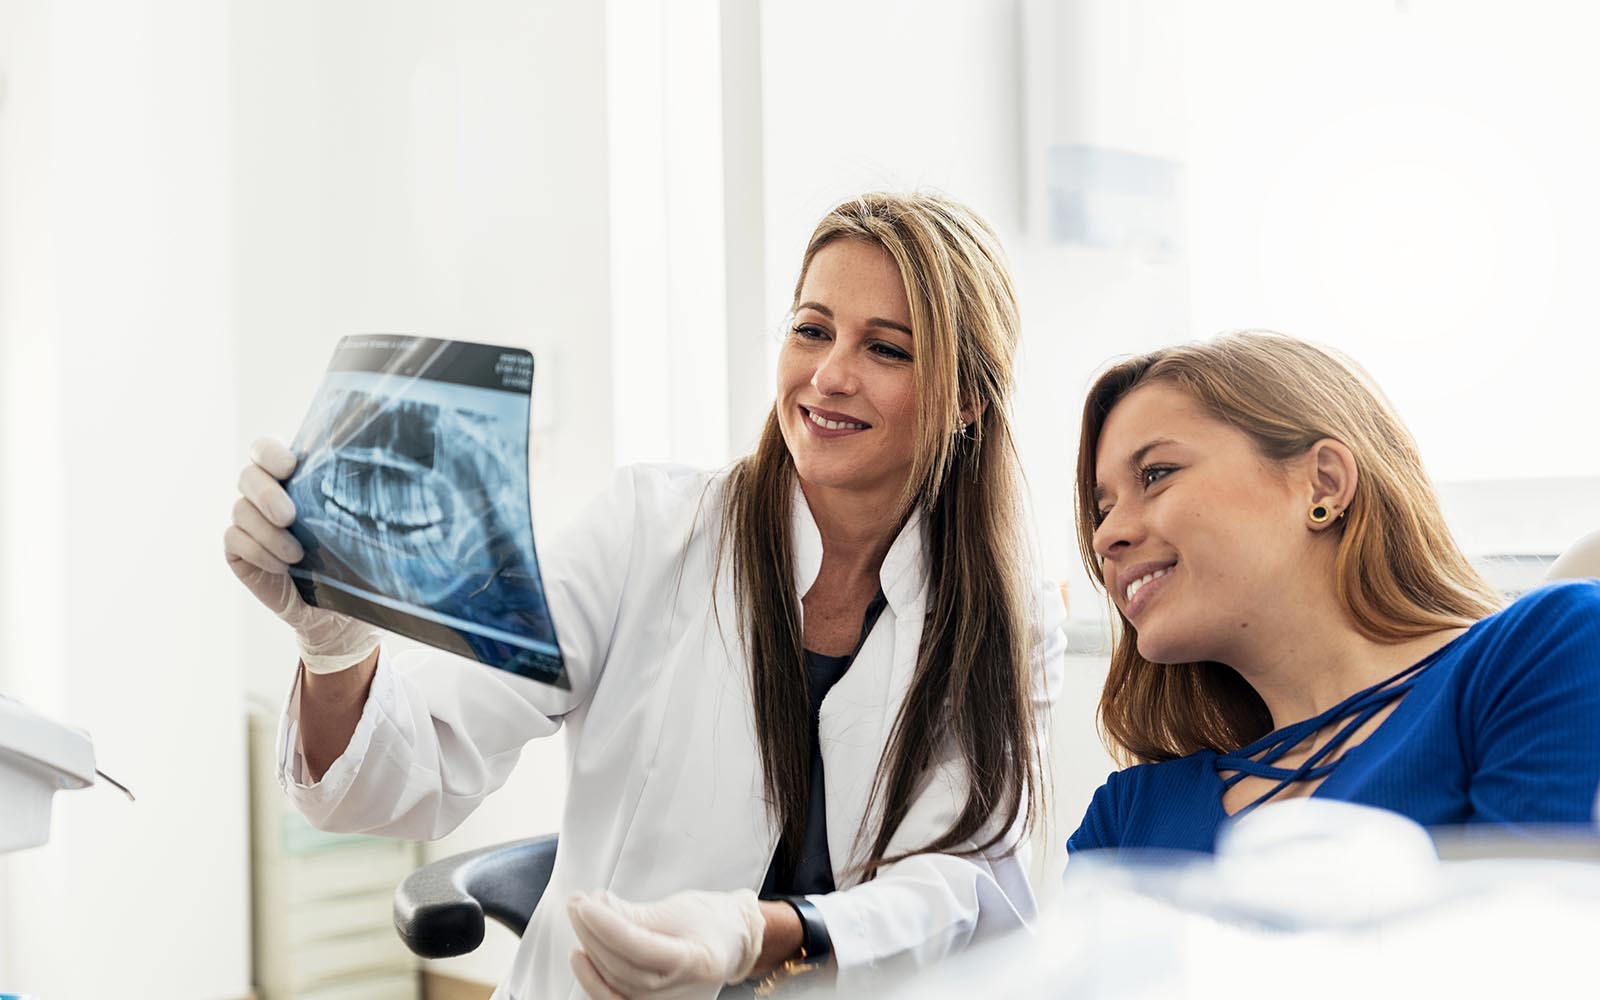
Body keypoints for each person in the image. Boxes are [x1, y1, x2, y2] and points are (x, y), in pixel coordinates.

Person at [224, 192, 1067, 999]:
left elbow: (962, 888)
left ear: (966, 399)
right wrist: (336, 645)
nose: (830, 374)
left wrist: (762, 932)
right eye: (812, 329)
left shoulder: (1005, 615)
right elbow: (417, 759)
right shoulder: (647, 532)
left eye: (887, 348)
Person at [1066, 331, 1600, 855]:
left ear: (1323, 482)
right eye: (1103, 507)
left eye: (1156, 474)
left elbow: (1530, 931)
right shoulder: (1125, 818)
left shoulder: (1543, 651)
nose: (1105, 535)